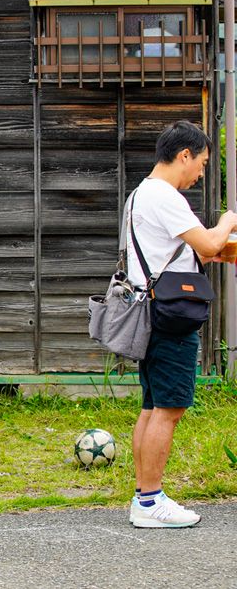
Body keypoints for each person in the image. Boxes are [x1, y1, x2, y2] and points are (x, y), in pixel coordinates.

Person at [126, 120, 237, 528]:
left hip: (151, 310)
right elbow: (208, 242)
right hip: (171, 315)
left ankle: (144, 496)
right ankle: (151, 503)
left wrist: (216, 249)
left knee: (152, 406)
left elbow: (189, 255)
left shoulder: (140, 195)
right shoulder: (164, 196)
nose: (202, 172)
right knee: (170, 409)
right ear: (184, 154)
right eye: (203, 163)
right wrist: (228, 221)